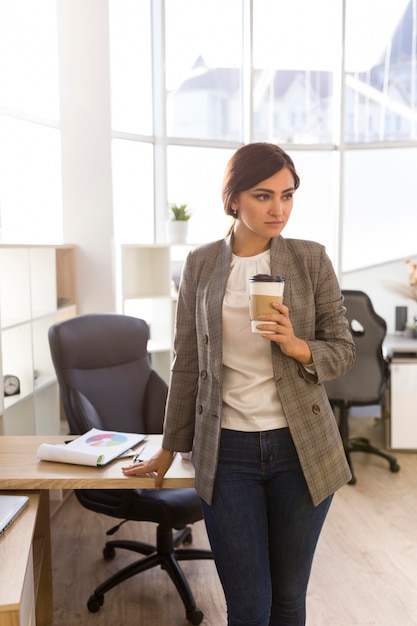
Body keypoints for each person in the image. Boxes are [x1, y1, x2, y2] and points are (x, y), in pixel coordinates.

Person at [122, 142, 355, 626]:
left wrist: (298, 346)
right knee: (249, 607)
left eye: (287, 196)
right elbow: (187, 362)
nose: (279, 209)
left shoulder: (311, 260)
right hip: (227, 453)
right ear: (233, 200)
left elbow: (343, 348)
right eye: (263, 196)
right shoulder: (202, 264)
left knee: (289, 600)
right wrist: (169, 447)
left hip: (301, 449)